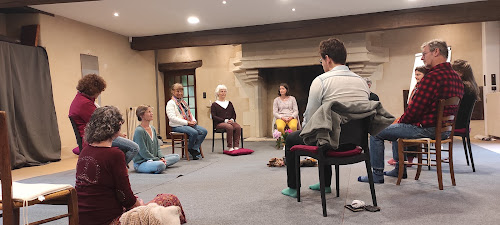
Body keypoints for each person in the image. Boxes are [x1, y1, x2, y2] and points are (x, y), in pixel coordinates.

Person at [358, 39, 464, 183]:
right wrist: (398, 124)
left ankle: (376, 175)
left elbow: (414, 111)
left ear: (436, 52)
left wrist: (399, 122)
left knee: (376, 132)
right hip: (445, 130)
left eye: (424, 53)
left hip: (427, 129)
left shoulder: (432, 78)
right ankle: (398, 169)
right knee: (396, 128)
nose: (422, 57)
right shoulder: (456, 78)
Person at [282, 38, 371, 198]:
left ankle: (293, 188)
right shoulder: (362, 82)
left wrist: (303, 131)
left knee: (292, 139)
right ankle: (325, 184)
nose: (322, 64)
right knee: (325, 130)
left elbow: (310, 117)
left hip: (330, 144)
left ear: (327, 59)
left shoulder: (321, 81)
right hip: (356, 143)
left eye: (321, 60)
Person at [76, 106, 186, 225]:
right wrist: (141, 207)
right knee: (170, 199)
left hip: (83, 219)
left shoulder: (85, 151)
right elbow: (126, 197)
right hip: (110, 221)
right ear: (116, 126)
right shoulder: (114, 154)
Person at [68, 74, 138, 165]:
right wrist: (118, 134)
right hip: (96, 138)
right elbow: (102, 123)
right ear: (93, 90)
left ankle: (115, 166)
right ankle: (118, 168)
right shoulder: (85, 104)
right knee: (134, 148)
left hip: (93, 136)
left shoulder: (80, 99)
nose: (99, 94)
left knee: (124, 145)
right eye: (99, 91)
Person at [387, 66, 428, 166]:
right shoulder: (417, 87)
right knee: (396, 122)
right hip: (417, 118)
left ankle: (402, 159)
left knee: (398, 127)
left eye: (418, 75)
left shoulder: (423, 89)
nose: (416, 77)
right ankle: (401, 157)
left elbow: (415, 109)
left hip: (420, 122)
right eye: (415, 75)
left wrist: (403, 120)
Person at [133, 105, 180, 173]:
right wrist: (157, 160)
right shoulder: (139, 131)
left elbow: (157, 147)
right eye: (149, 112)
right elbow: (143, 151)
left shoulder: (153, 128)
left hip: (154, 159)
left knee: (176, 156)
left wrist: (161, 157)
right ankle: (159, 164)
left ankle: (159, 163)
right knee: (160, 165)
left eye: (151, 112)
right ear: (142, 115)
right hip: (142, 162)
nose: (151, 113)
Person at [166, 83, 207, 160]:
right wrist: (187, 123)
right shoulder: (170, 103)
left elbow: (190, 113)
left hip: (187, 124)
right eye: (177, 91)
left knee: (204, 131)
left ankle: (193, 148)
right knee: (194, 132)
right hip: (177, 126)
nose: (180, 93)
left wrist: (194, 121)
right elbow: (172, 118)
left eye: (181, 91)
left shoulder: (183, 102)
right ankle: (191, 149)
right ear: (172, 91)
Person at [452, 59, 480, 130]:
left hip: (456, 123)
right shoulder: (471, 86)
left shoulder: (462, 86)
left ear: (460, 73)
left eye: (452, 71)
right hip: (462, 122)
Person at [211, 85, 242, 151]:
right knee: (229, 127)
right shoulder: (214, 104)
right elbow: (214, 116)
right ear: (218, 93)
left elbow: (234, 113)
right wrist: (224, 120)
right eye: (221, 91)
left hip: (230, 122)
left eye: (225, 91)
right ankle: (230, 146)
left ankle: (236, 146)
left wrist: (232, 119)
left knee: (237, 127)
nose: (223, 93)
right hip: (219, 123)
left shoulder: (229, 103)